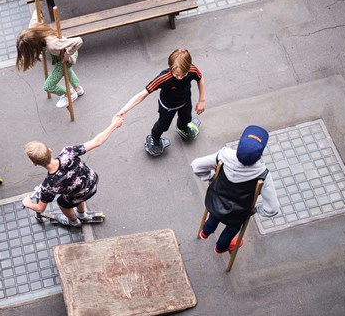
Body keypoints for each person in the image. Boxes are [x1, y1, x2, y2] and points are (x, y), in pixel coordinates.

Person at [191, 125, 280, 253]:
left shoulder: (224, 155)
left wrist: (210, 177)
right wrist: (254, 210)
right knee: (231, 229)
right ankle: (220, 248)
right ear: (260, 155)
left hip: (214, 203)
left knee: (214, 216)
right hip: (237, 214)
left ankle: (205, 232)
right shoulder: (263, 175)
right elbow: (272, 209)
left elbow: (196, 166)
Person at [21, 115, 124, 227]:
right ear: (50, 151)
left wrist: (28, 203)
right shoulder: (68, 152)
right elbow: (97, 141)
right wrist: (114, 125)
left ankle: (74, 221)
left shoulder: (49, 185)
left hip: (78, 194)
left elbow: (40, 209)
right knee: (75, 195)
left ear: (34, 163)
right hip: (91, 183)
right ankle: (82, 214)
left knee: (63, 202)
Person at [116, 48, 205, 156]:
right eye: (176, 75)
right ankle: (155, 138)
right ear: (170, 67)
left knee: (187, 118)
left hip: (185, 101)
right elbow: (142, 95)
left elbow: (200, 79)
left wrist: (201, 100)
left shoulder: (192, 70)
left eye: (183, 75)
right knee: (163, 125)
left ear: (188, 67)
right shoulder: (163, 78)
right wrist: (123, 110)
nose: (180, 78)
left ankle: (182, 128)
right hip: (168, 106)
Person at [16, 10, 85, 108]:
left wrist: (68, 55)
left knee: (48, 86)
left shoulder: (52, 44)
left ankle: (69, 93)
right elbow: (36, 16)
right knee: (67, 71)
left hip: (65, 57)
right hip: (59, 54)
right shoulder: (34, 30)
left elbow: (79, 40)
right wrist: (39, 12)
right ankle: (78, 89)